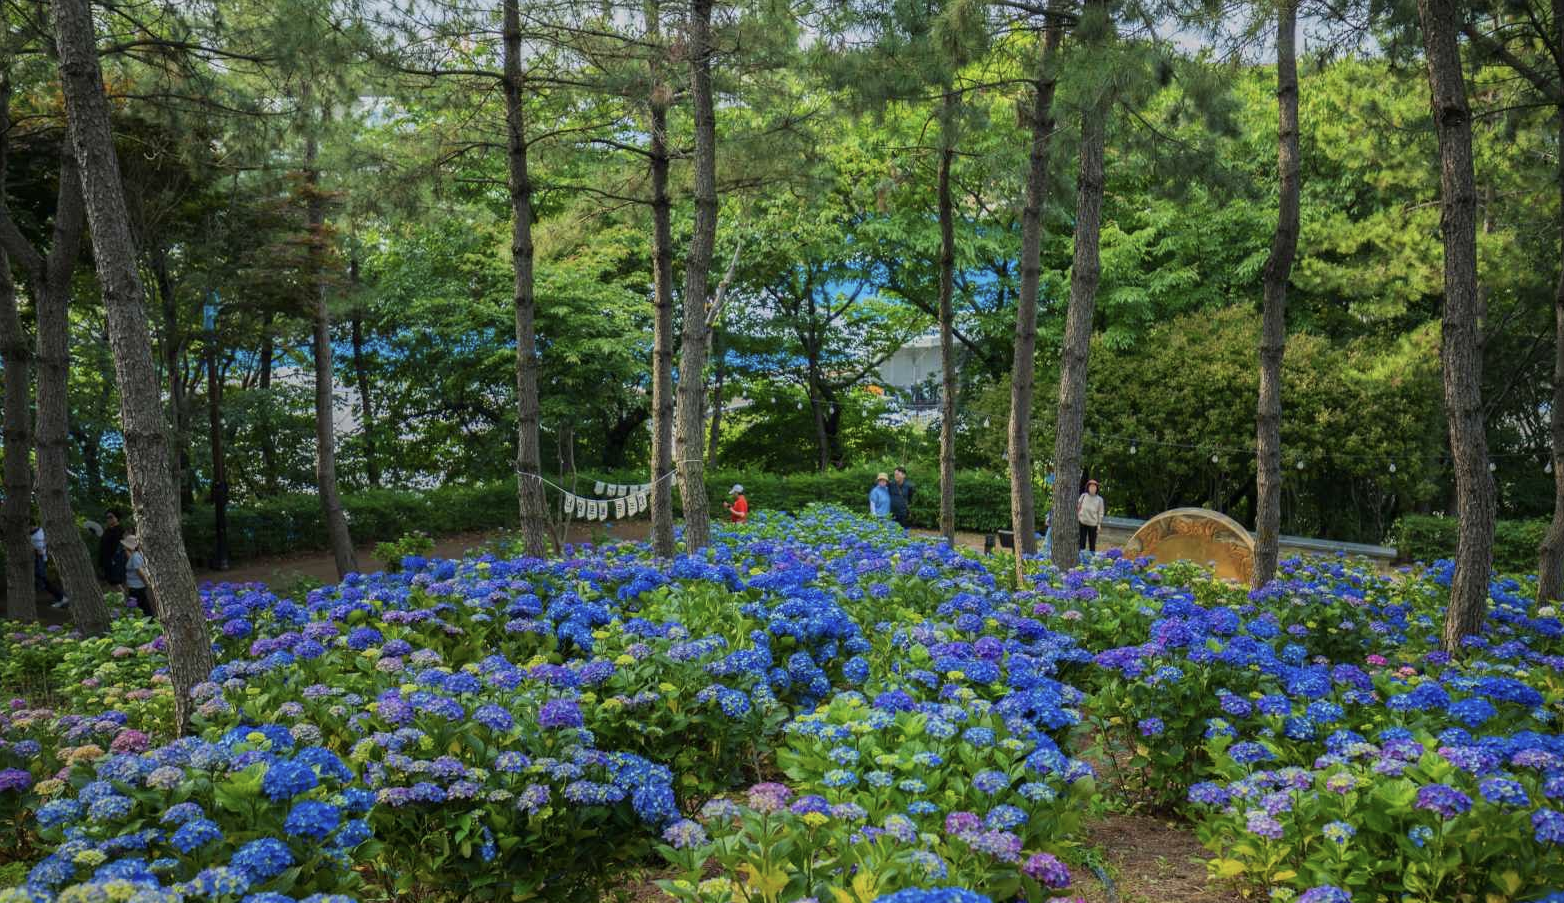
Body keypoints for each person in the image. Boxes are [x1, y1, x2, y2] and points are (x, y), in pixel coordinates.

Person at [29, 523, 67, 610]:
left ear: (31, 525)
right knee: (42, 580)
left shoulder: (36, 536)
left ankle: (61, 597)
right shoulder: (40, 531)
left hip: (38, 560)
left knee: (43, 579)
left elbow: (40, 551)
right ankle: (61, 597)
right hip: (39, 559)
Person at [122, 535, 153, 618]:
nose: (124, 547)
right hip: (134, 587)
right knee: (140, 607)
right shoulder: (134, 555)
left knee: (141, 608)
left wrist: (147, 583)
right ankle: (148, 620)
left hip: (137, 588)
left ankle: (150, 621)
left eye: (125, 545)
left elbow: (140, 572)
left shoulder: (135, 556)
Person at [99, 509, 126, 590]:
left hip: (117, 563)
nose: (108, 519)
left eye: (111, 517)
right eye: (107, 517)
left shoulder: (121, 531)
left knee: (119, 585)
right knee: (112, 586)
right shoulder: (107, 531)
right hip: (106, 563)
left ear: (117, 518)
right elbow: (103, 547)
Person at [1077, 478, 1105, 553]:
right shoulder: (1083, 496)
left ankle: (1092, 557)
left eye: (1094, 487)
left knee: (1092, 544)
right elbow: (1078, 507)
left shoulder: (1099, 499)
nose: (1092, 488)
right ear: (1088, 488)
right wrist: (1078, 517)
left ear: (1097, 488)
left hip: (1093, 524)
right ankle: (1081, 556)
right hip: (1082, 522)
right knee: (1081, 542)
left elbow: (1100, 512)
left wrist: (1099, 524)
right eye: (1091, 486)